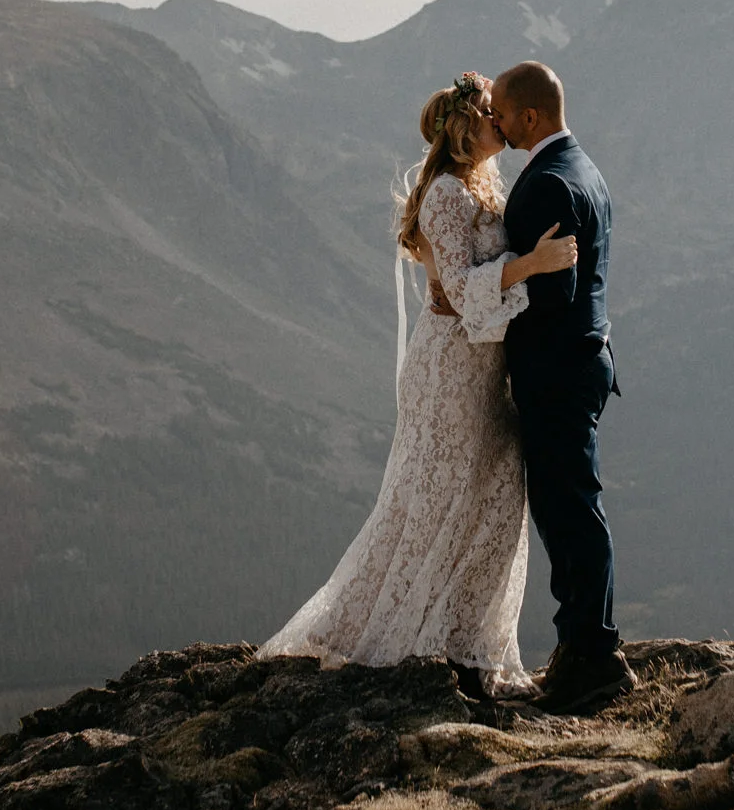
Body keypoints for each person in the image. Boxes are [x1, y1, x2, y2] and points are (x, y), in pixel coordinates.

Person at [262, 71, 578, 700]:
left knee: (490, 496)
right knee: (441, 498)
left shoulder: (480, 190)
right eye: (493, 114)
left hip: (485, 370)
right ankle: (406, 638)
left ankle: (468, 642)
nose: (503, 122)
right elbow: (460, 293)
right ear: (468, 124)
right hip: (451, 373)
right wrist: (533, 265)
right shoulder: (443, 196)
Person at [490, 60, 637, 716]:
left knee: (568, 507)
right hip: (587, 357)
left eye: (499, 110)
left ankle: (595, 654)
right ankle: (583, 646)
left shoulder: (548, 184)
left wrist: (482, 285)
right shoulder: (585, 168)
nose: (493, 120)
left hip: (558, 367)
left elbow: (549, 295)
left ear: (529, 116)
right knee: (575, 502)